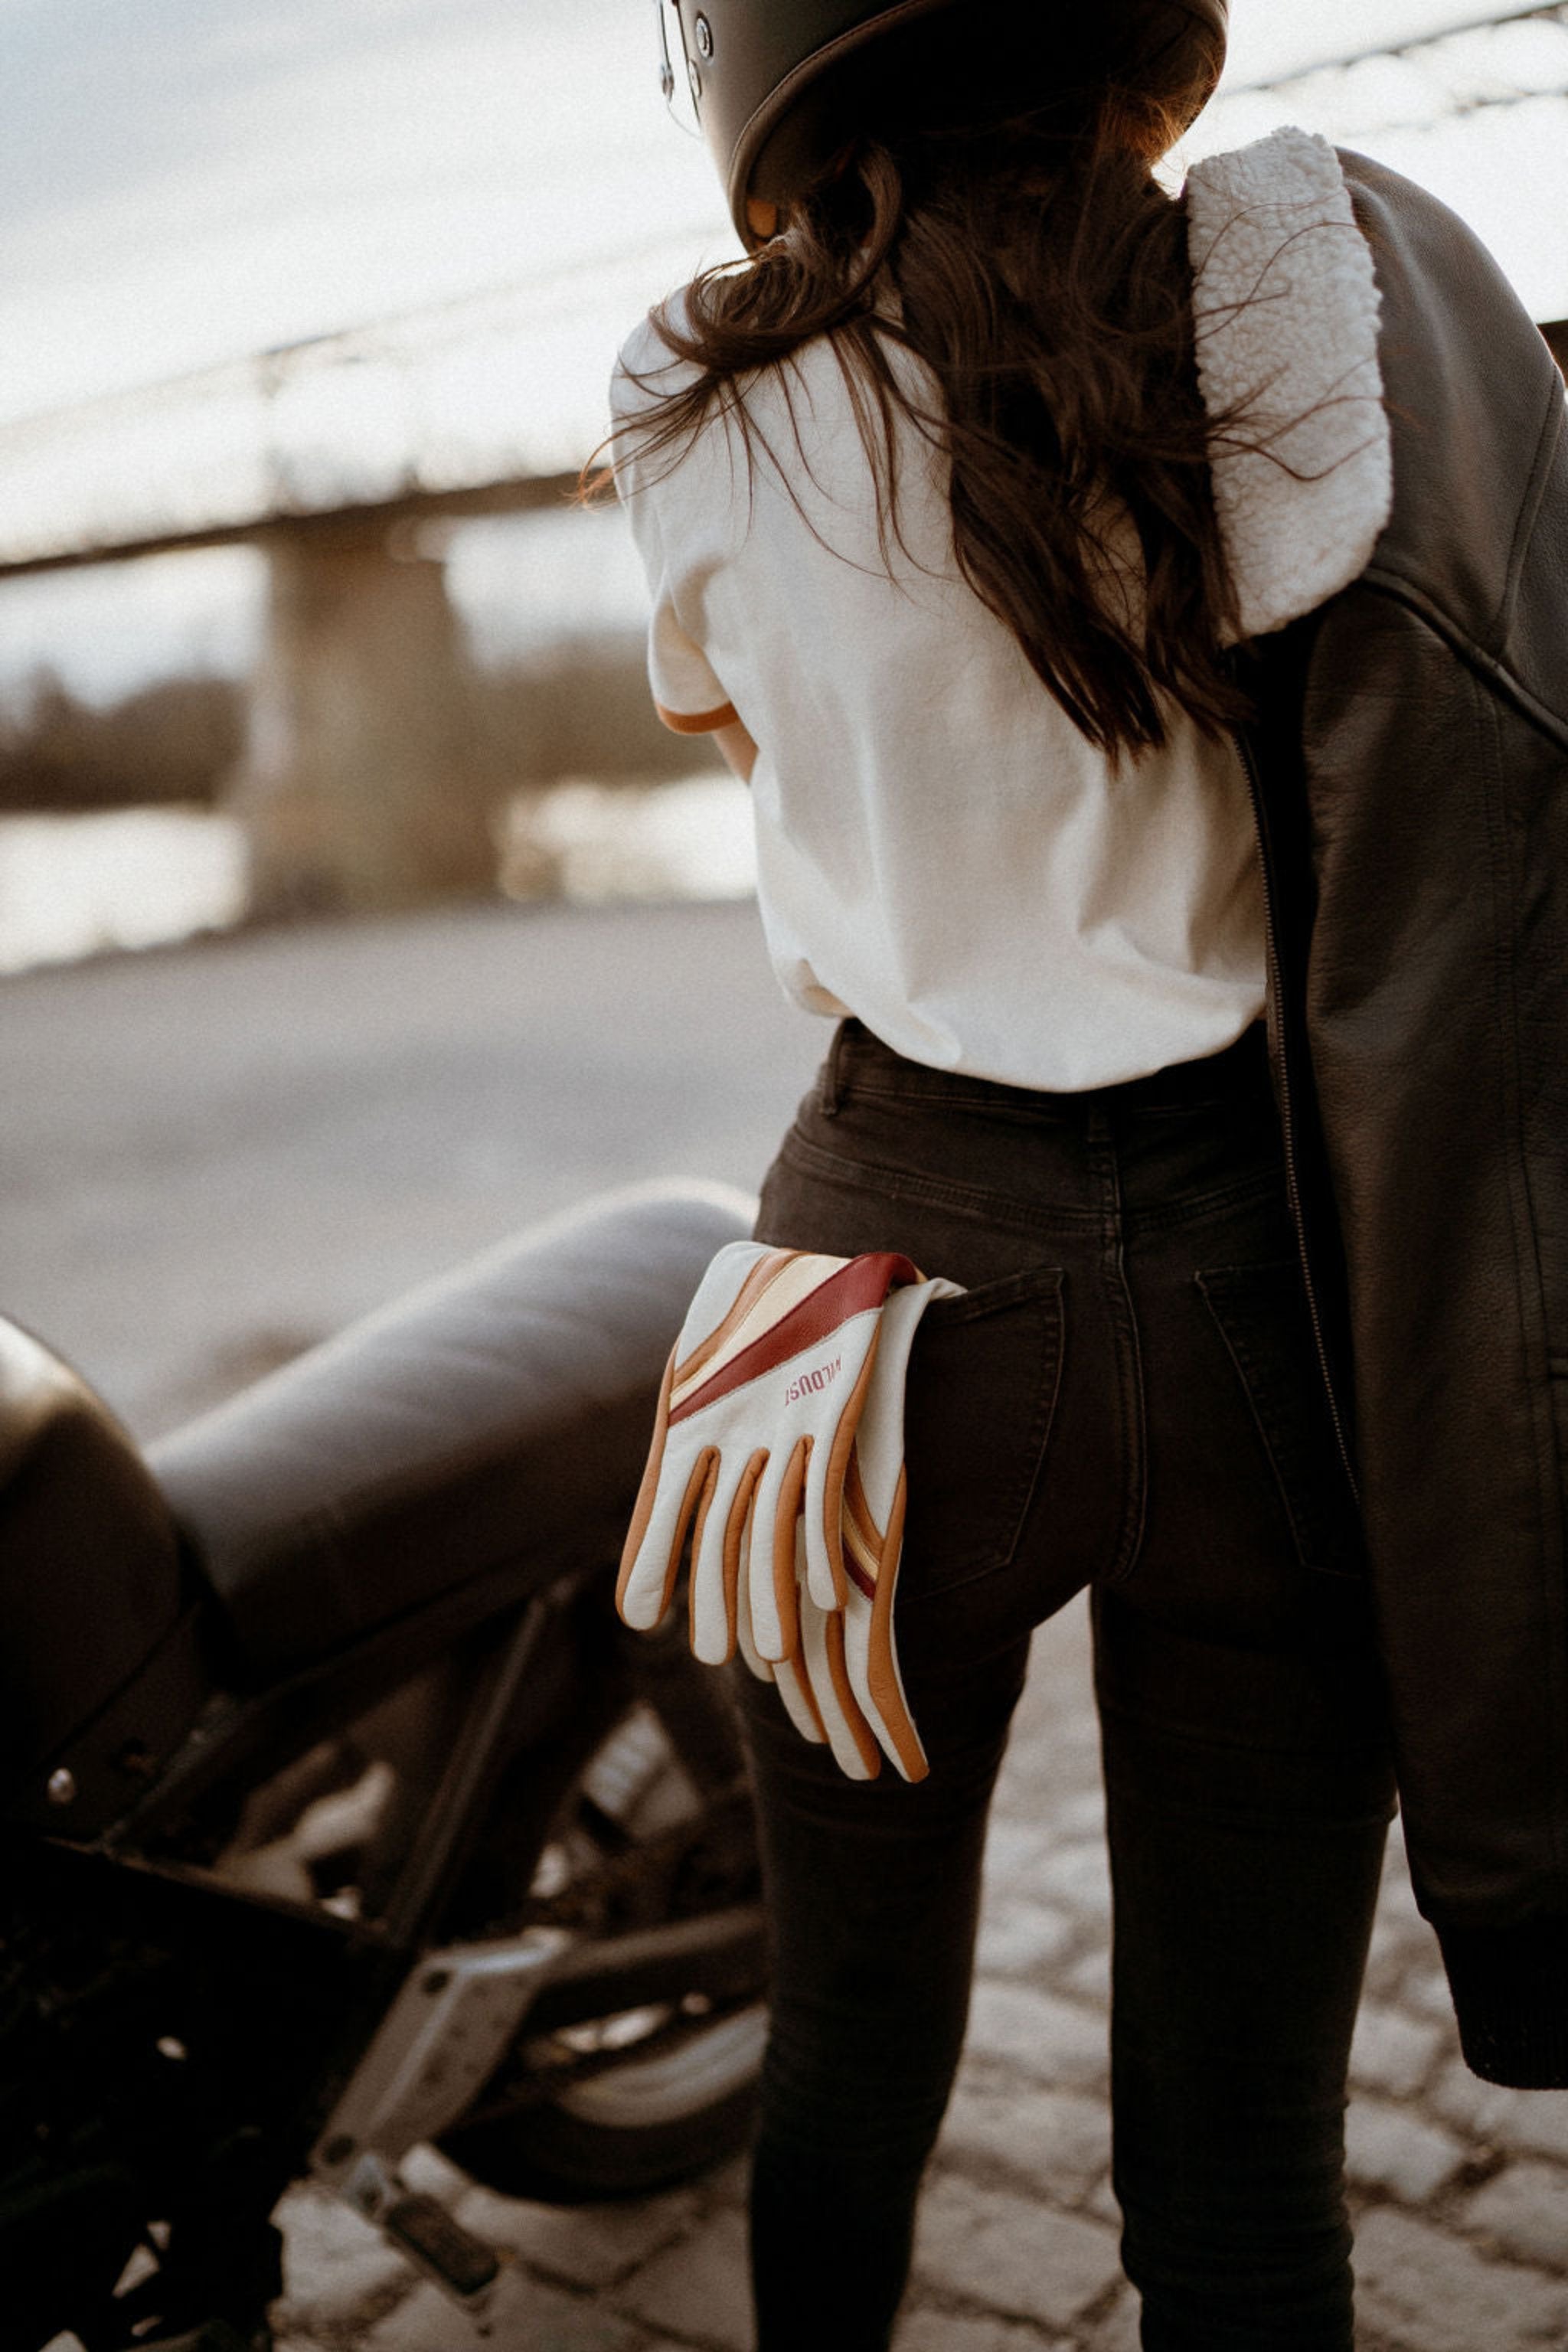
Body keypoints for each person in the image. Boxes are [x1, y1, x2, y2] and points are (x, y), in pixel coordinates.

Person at [603, 5, 1568, 2345]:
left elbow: (744, 723)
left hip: (874, 1301)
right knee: (1241, 2169)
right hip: (1264, 1290)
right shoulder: (1281, 325)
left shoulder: (689, 392)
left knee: (843, 2047)